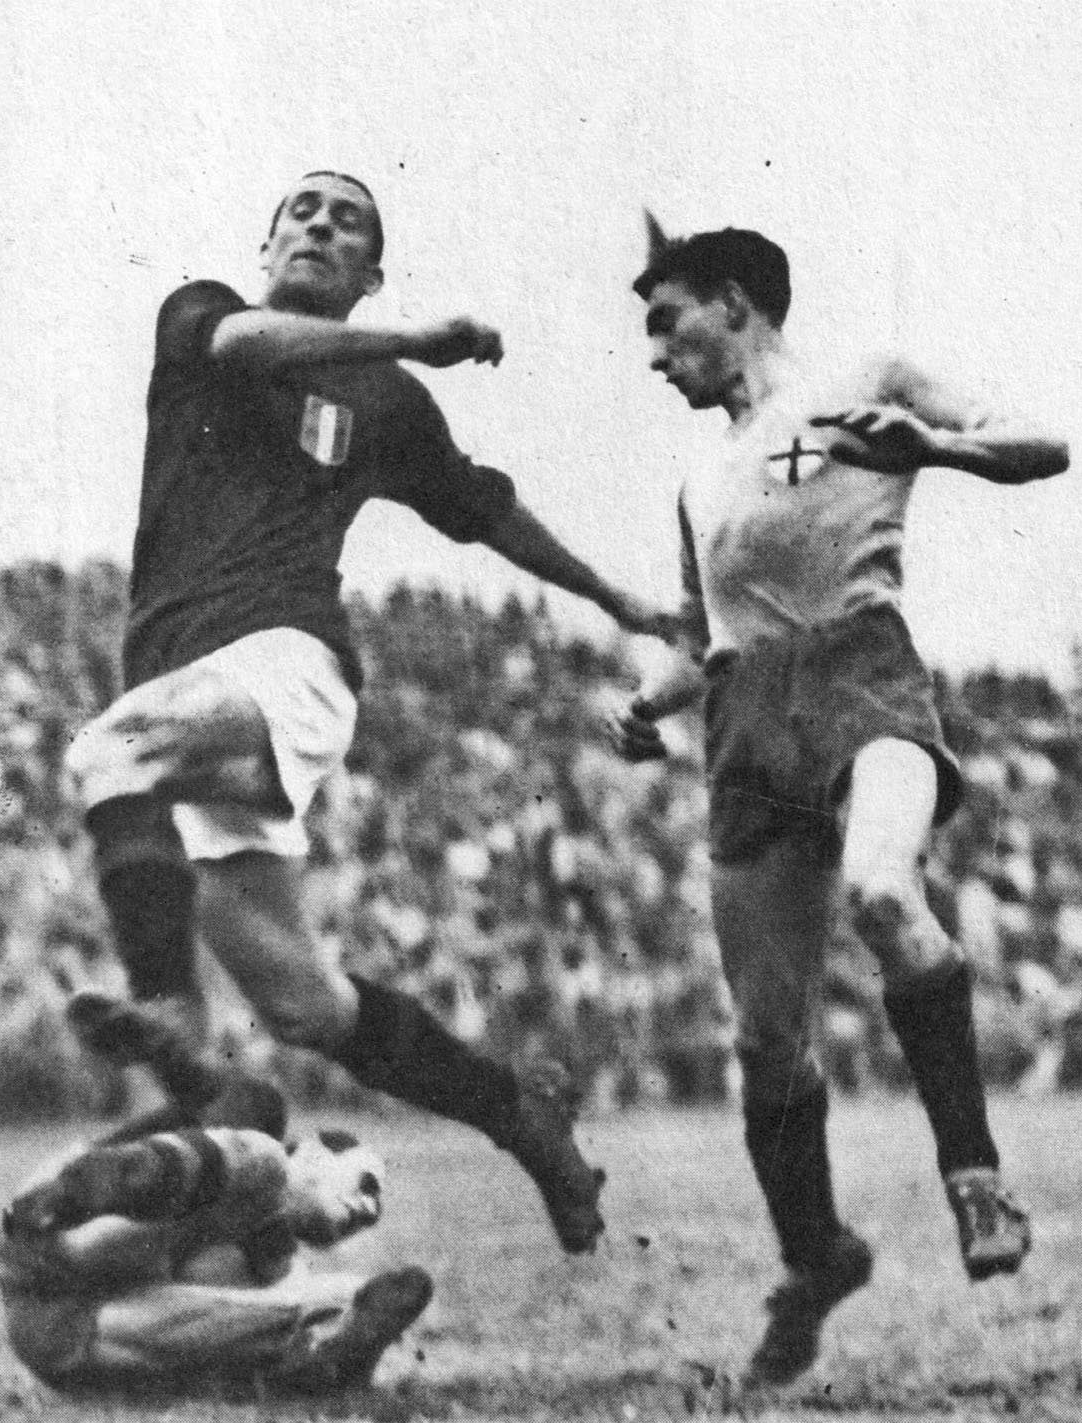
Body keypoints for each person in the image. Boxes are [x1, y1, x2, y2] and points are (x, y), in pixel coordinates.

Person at [65, 172, 676, 1257]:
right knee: (303, 1005)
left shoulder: (390, 402)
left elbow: (481, 509)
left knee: (108, 755)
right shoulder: (202, 320)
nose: (320, 225)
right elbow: (247, 346)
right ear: (266, 241)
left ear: (371, 270)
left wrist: (619, 599)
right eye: (302, 210)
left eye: (348, 220)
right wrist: (419, 335)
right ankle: (515, 1112)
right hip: (184, 687)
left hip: (286, 660)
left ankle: (164, 1005)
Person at [607, 217, 1069, 1384]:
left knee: (879, 888)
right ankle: (816, 1257)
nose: (657, 357)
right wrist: (650, 702)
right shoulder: (698, 476)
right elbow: (698, 634)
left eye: (668, 324)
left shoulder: (868, 382)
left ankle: (977, 1184)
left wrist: (936, 448)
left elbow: (1043, 442)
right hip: (746, 724)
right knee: (767, 1041)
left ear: (736, 301)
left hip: (865, 674)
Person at [0, 1099, 433, 1393]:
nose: (368, 1209)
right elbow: (176, 1163)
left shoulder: (271, 1253)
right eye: (366, 1185)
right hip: (57, 1239)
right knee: (322, 1289)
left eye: (374, 1211)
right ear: (317, 1157)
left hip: (64, 1340)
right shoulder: (268, 1168)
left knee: (287, 1295)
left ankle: (314, 1365)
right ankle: (318, 1354)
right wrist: (81, 1191)